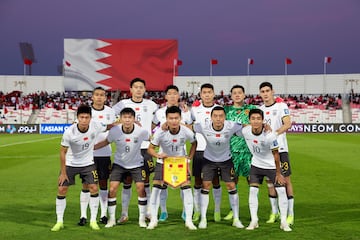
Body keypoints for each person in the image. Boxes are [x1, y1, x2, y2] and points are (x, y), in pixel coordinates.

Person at [51, 105, 116, 232]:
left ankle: (92, 220)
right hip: (71, 163)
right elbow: (62, 152)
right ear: (77, 118)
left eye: (87, 117)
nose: (84, 120)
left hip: (87, 163)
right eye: (82, 117)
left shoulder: (96, 126)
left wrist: (121, 123)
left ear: (91, 118)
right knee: (62, 189)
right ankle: (59, 221)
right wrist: (63, 173)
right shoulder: (69, 132)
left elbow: (108, 126)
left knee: (94, 188)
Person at [94, 108, 149, 228]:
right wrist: (90, 148)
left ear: (134, 119)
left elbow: (154, 140)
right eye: (125, 117)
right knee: (112, 189)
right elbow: (105, 142)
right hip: (119, 164)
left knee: (141, 188)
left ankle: (142, 220)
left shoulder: (141, 131)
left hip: (136, 164)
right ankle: (112, 219)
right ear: (121, 119)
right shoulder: (114, 131)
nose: (127, 120)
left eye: (130, 117)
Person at [112, 78, 158, 223]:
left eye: (141, 87)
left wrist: (153, 137)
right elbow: (112, 118)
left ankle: (148, 212)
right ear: (130, 89)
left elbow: (158, 122)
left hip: (144, 149)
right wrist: (122, 122)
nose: (138, 90)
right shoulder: (122, 104)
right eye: (136, 87)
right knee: (127, 181)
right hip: (128, 148)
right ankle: (124, 214)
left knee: (145, 182)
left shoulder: (151, 105)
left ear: (145, 89)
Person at [193, 106, 244, 229]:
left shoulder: (231, 125)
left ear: (225, 117)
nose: (218, 119)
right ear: (211, 117)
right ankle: (203, 219)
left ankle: (236, 218)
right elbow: (188, 127)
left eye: (221, 116)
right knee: (206, 186)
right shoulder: (203, 126)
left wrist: (262, 126)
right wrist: (167, 125)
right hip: (208, 160)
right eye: (215, 116)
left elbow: (246, 127)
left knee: (231, 186)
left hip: (226, 160)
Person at [146, 106, 197, 230]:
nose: (173, 121)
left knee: (186, 189)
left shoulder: (186, 131)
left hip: (180, 163)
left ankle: (189, 221)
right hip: (163, 163)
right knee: (156, 189)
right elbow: (150, 148)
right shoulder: (160, 132)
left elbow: (194, 143)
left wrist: (189, 158)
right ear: (166, 119)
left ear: (180, 118)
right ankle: (153, 220)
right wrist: (158, 155)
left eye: (176, 118)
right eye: (171, 118)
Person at [242, 108, 291, 232]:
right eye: (253, 119)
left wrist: (279, 174)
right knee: (253, 190)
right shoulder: (245, 130)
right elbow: (239, 125)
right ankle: (254, 221)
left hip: (271, 167)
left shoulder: (270, 136)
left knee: (281, 191)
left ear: (262, 120)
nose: (256, 121)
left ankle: (284, 222)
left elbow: (276, 155)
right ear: (249, 120)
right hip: (256, 165)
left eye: (259, 119)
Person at [152, 85, 192, 222]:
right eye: (170, 94)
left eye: (175, 93)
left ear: (178, 95)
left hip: (181, 155)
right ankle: (163, 211)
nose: (173, 96)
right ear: (166, 96)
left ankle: (186, 211)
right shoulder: (159, 112)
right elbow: (152, 128)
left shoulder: (186, 111)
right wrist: (159, 130)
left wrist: (181, 126)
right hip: (164, 156)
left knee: (184, 185)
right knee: (162, 186)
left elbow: (191, 131)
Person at [78, 87, 116, 226]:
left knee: (103, 183)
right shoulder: (86, 112)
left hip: (104, 153)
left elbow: (113, 129)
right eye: (97, 95)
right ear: (92, 97)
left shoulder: (110, 112)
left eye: (102, 95)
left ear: (105, 97)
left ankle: (104, 214)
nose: (99, 97)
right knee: (86, 184)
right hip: (87, 154)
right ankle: (83, 215)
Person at [259, 81, 294, 226]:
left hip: (280, 149)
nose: (265, 93)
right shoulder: (259, 109)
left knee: (285, 180)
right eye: (263, 91)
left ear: (272, 91)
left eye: (268, 90)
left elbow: (287, 124)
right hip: (266, 151)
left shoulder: (281, 106)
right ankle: (274, 212)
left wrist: (275, 133)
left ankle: (290, 214)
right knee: (269, 182)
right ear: (260, 94)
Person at [223, 85, 257, 220]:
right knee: (232, 181)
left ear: (244, 95)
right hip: (232, 151)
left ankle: (253, 211)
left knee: (252, 182)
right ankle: (233, 210)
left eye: (240, 93)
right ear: (231, 96)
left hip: (249, 151)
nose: (237, 95)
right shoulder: (226, 110)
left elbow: (257, 124)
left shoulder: (252, 110)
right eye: (234, 93)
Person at [190, 83, 222, 223]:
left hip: (215, 151)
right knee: (197, 182)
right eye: (204, 92)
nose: (207, 94)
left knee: (215, 181)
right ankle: (197, 211)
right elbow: (189, 125)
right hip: (199, 151)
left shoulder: (219, 109)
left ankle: (217, 211)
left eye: (209, 92)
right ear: (201, 94)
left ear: (214, 93)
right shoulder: (195, 109)